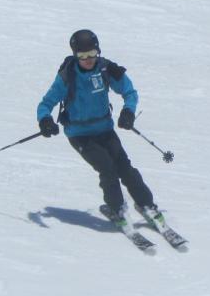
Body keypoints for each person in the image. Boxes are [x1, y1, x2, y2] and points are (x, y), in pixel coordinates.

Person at [36, 29, 160, 223]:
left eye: (92, 54)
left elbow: (130, 92)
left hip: (105, 130)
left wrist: (128, 111)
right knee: (107, 168)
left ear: (98, 51)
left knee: (125, 168)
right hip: (79, 134)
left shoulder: (105, 69)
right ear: (75, 55)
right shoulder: (68, 75)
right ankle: (117, 209)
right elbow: (45, 104)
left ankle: (147, 206)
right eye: (82, 56)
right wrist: (45, 121)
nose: (87, 60)